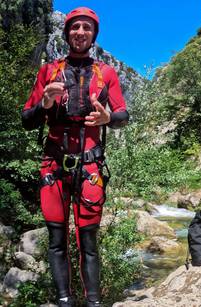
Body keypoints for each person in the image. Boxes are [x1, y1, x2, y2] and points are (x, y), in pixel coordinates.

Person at [21, 7, 129, 307]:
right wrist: (44, 103)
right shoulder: (48, 72)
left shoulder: (105, 73)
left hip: (90, 164)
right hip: (54, 165)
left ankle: (93, 302)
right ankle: (64, 301)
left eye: (87, 27)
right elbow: (27, 120)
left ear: (94, 34)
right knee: (57, 241)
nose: (80, 32)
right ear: (67, 32)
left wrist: (108, 118)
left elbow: (123, 114)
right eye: (75, 27)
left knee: (89, 242)